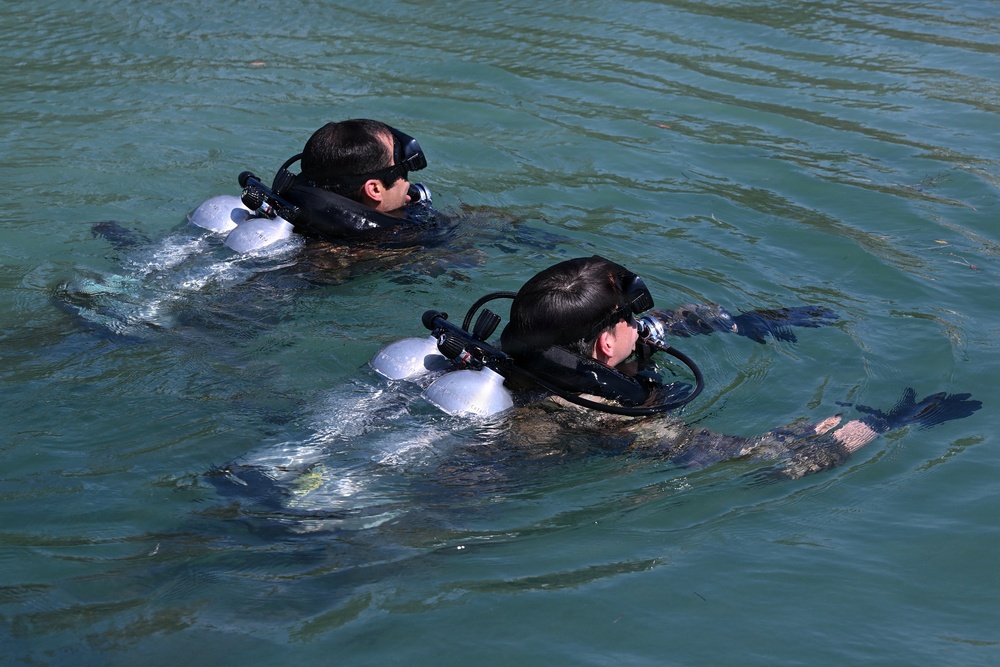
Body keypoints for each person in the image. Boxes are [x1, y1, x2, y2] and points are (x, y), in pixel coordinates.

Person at [461, 255, 981, 478]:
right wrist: (887, 423)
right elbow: (756, 458)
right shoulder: (603, 415)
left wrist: (743, 321)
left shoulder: (508, 359)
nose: (642, 327)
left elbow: (652, 328)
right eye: (629, 319)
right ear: (603, 344)